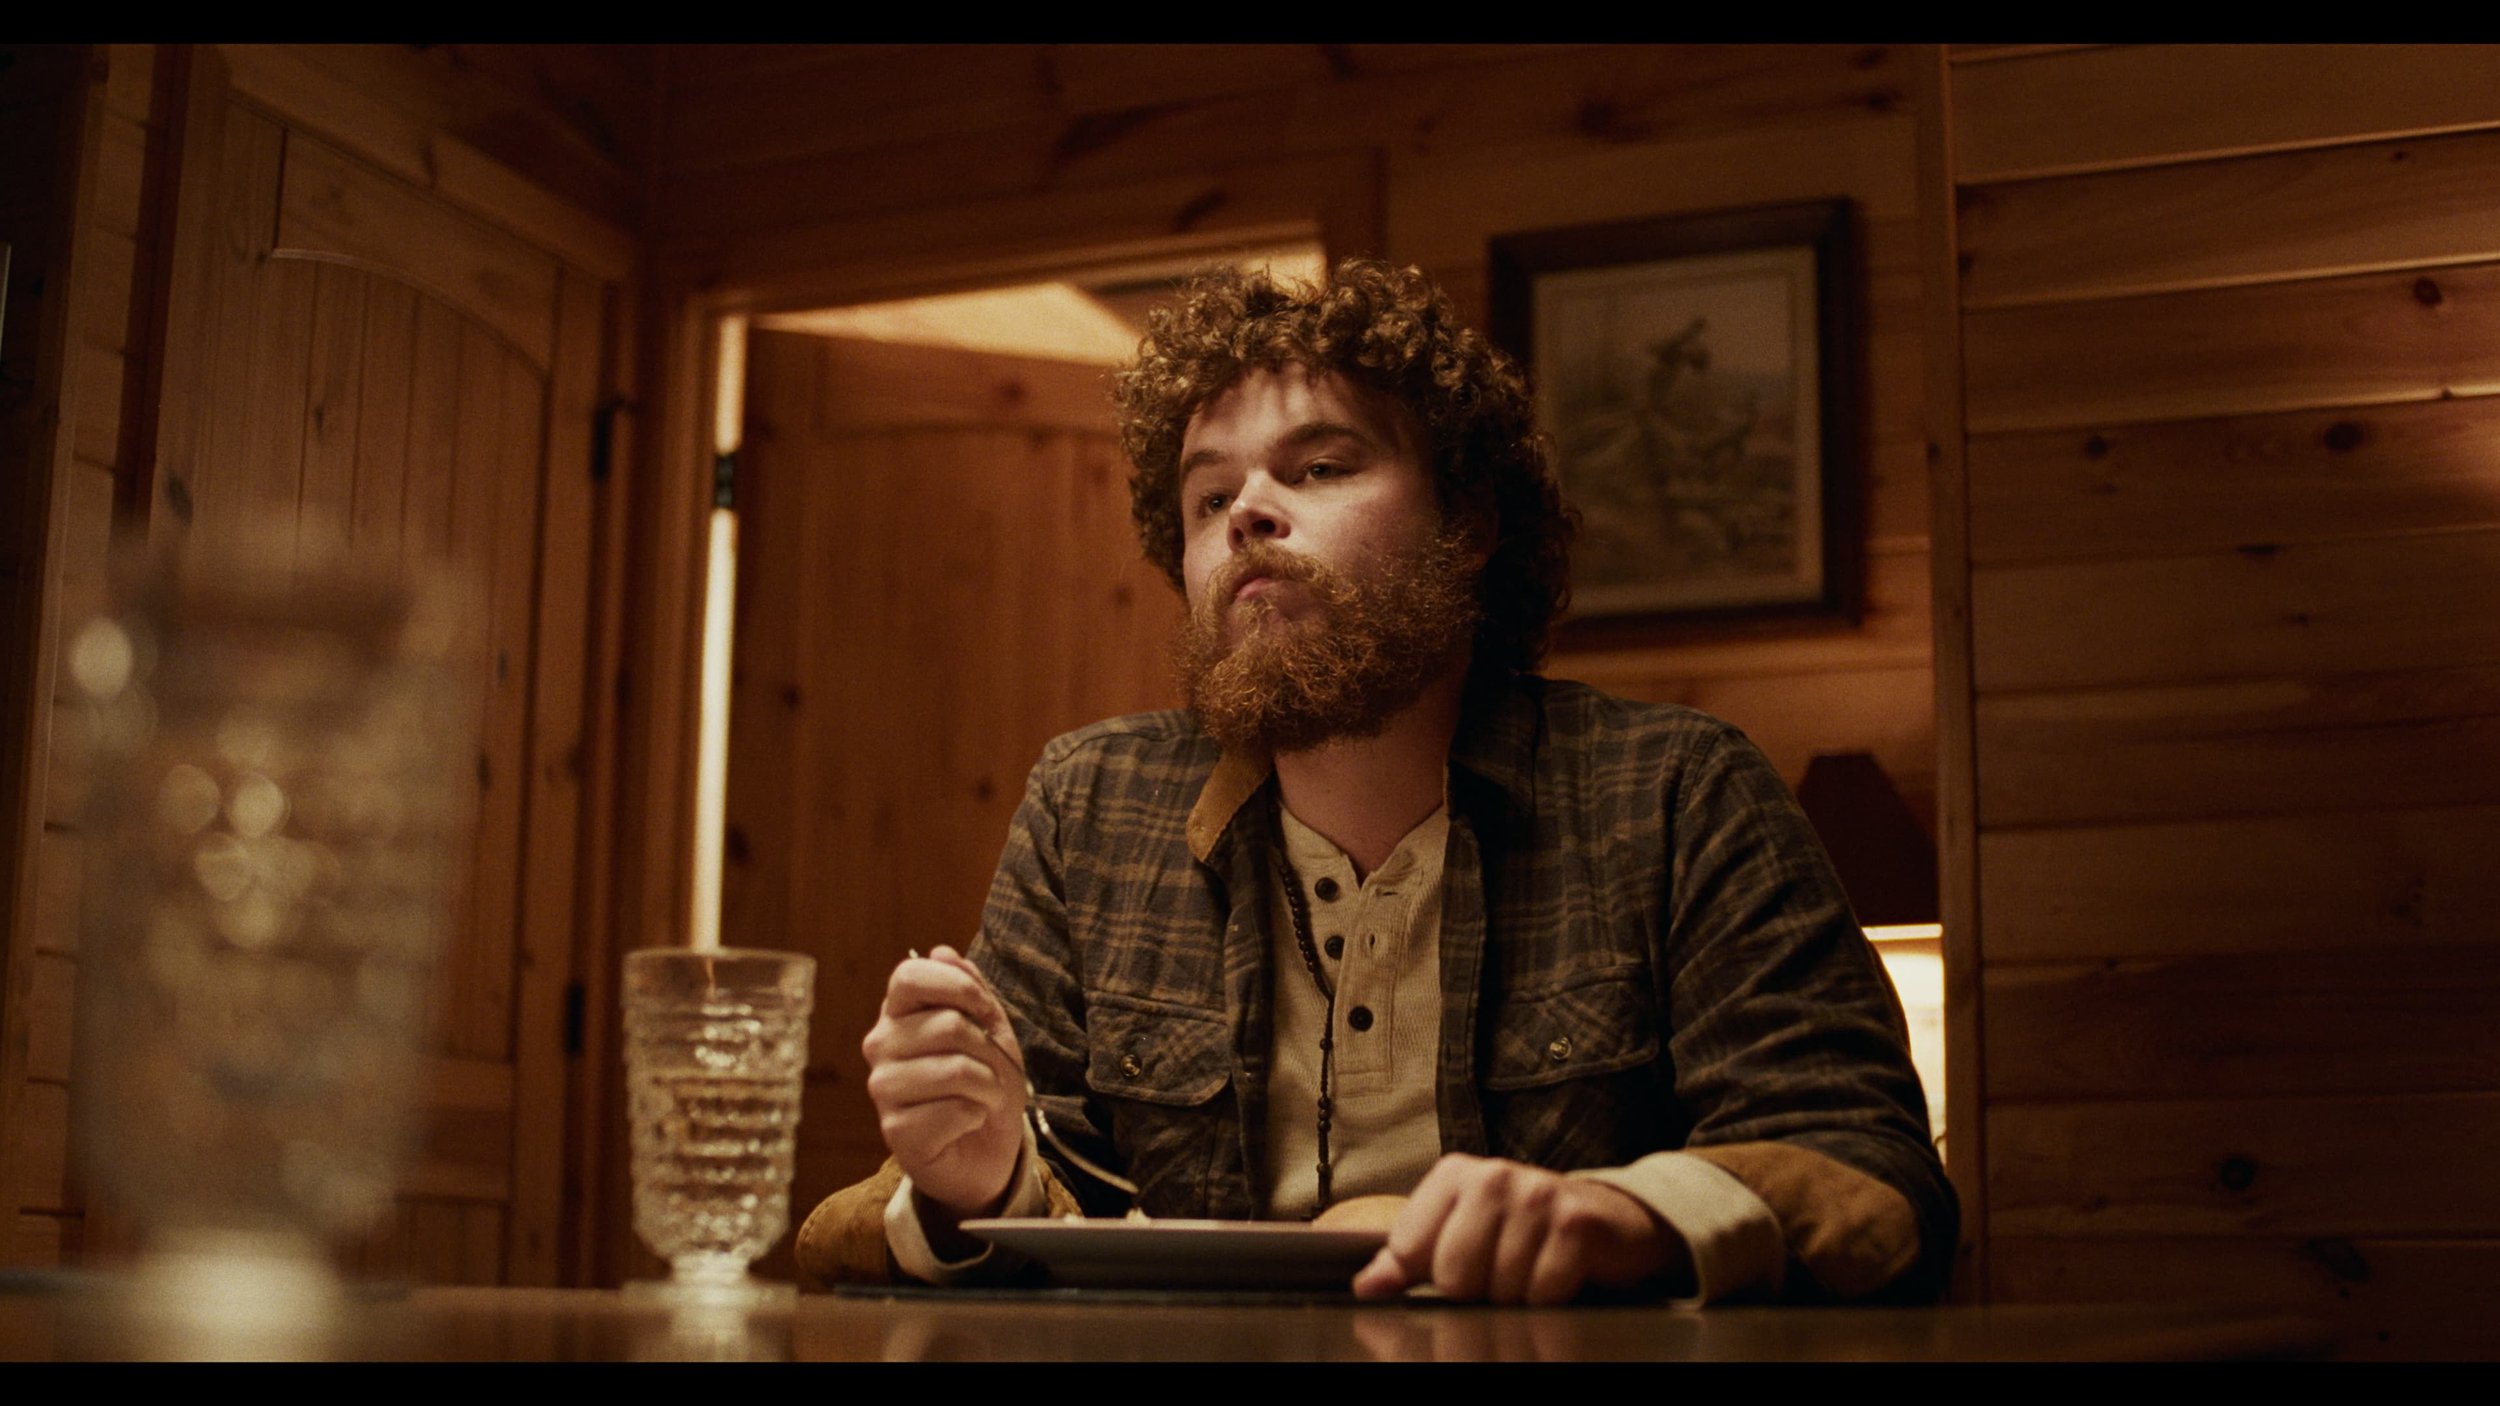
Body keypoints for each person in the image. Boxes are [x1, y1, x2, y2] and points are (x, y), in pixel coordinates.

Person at [794, 259, 1955, 1305]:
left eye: (1321, 464)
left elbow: (1869, 1168)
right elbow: (949, 1206)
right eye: (1208, 498)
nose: (1247, 508)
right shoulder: (1088, 804)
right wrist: (974, 1178)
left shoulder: (1677, 793)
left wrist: (1631, 1211)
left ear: (1469, 520)